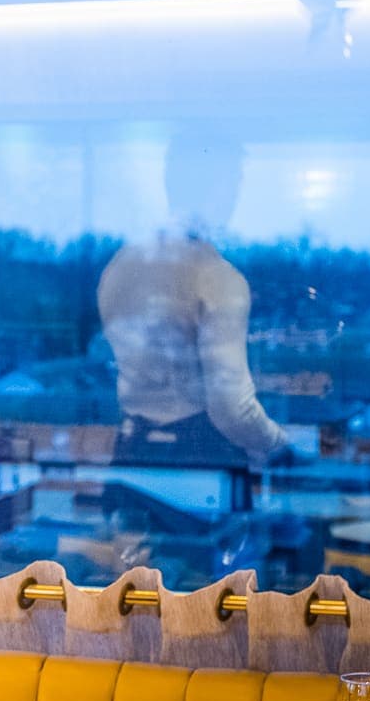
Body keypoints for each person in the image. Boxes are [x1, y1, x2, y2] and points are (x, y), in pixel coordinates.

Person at [97, 129, 290, 470]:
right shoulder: (217, 278)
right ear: (215, 188)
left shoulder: (120, 265)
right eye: (233, 185)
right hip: (198, 461)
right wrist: (281, 447)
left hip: (131, 451)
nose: (235, 198)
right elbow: (232, 408)